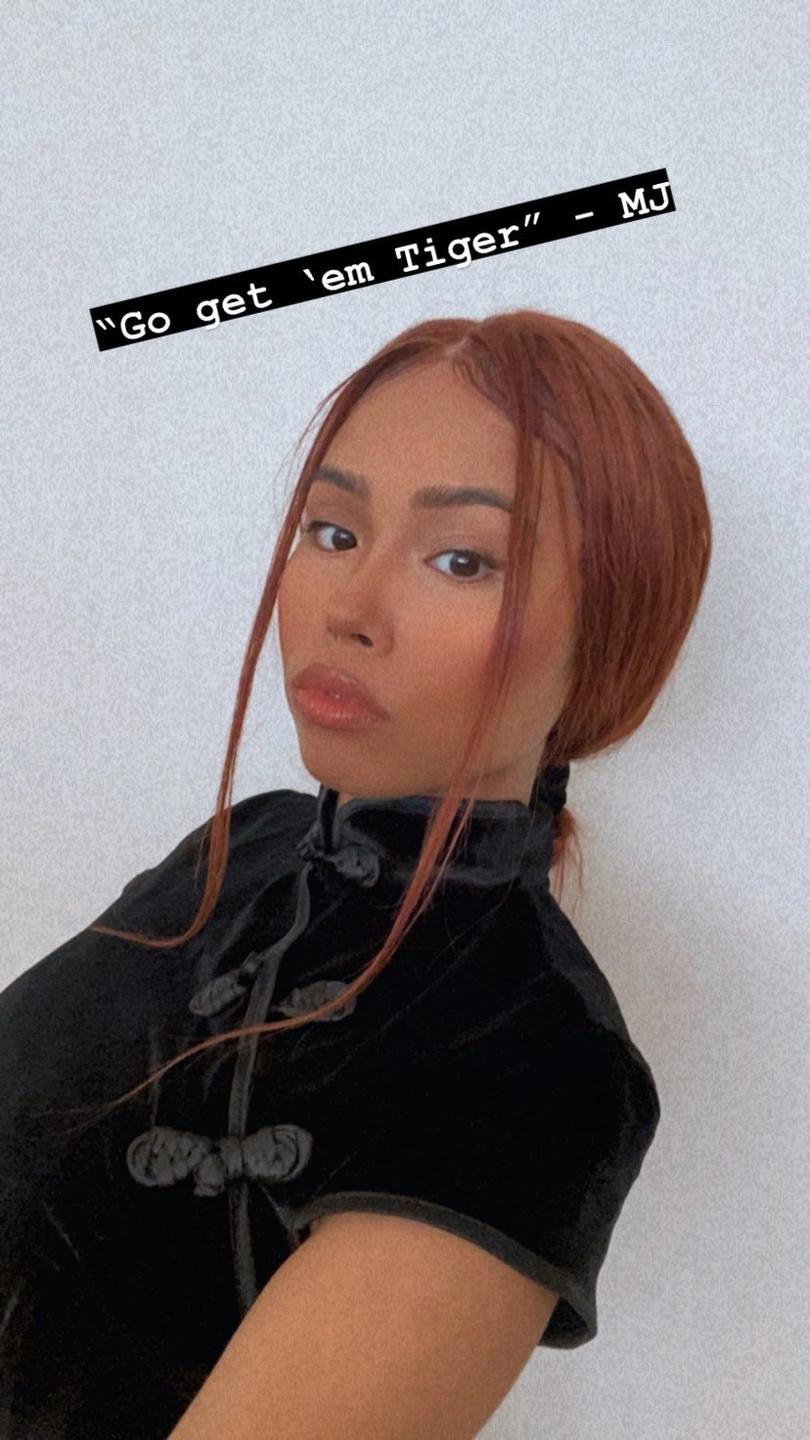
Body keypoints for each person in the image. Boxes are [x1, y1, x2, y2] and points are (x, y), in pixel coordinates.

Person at [0, 309, 712, 1439]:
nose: (349, 609)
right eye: (332, 531)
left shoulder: (538, 1060)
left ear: (610, 633)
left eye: (462, 559)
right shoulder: (243, 847)